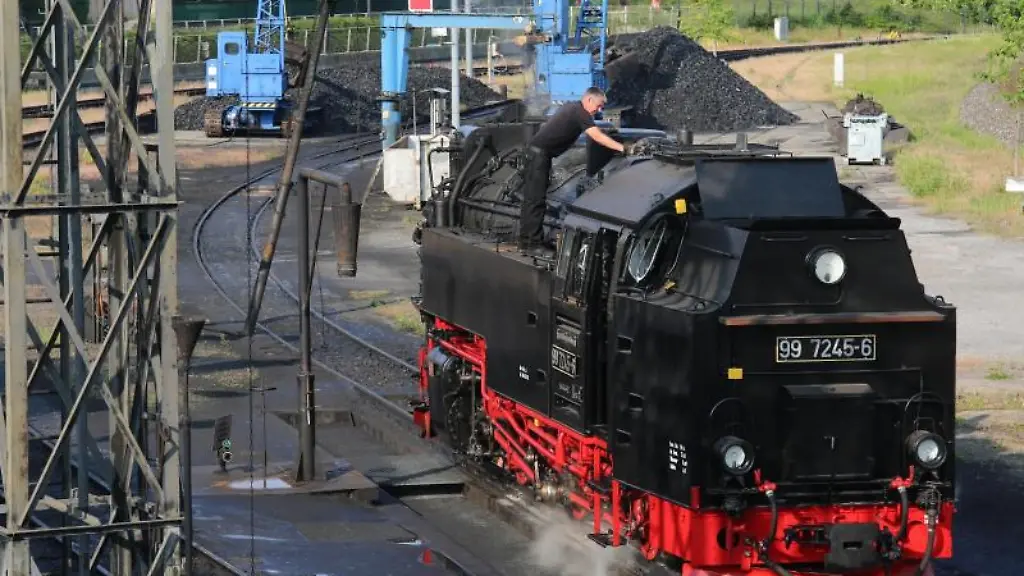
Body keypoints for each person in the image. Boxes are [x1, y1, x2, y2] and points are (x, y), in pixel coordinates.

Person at [518, 87, 633, 254]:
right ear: (589, 100)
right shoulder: (580, 112)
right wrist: (623, 149)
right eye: (599, 106)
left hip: (538, 155)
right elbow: (597, 136)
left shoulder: (571, 107)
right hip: (538, 156)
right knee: (535, 201)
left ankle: (528, 241)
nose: (598, 110)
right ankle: (531, 244)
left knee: (533, 199)